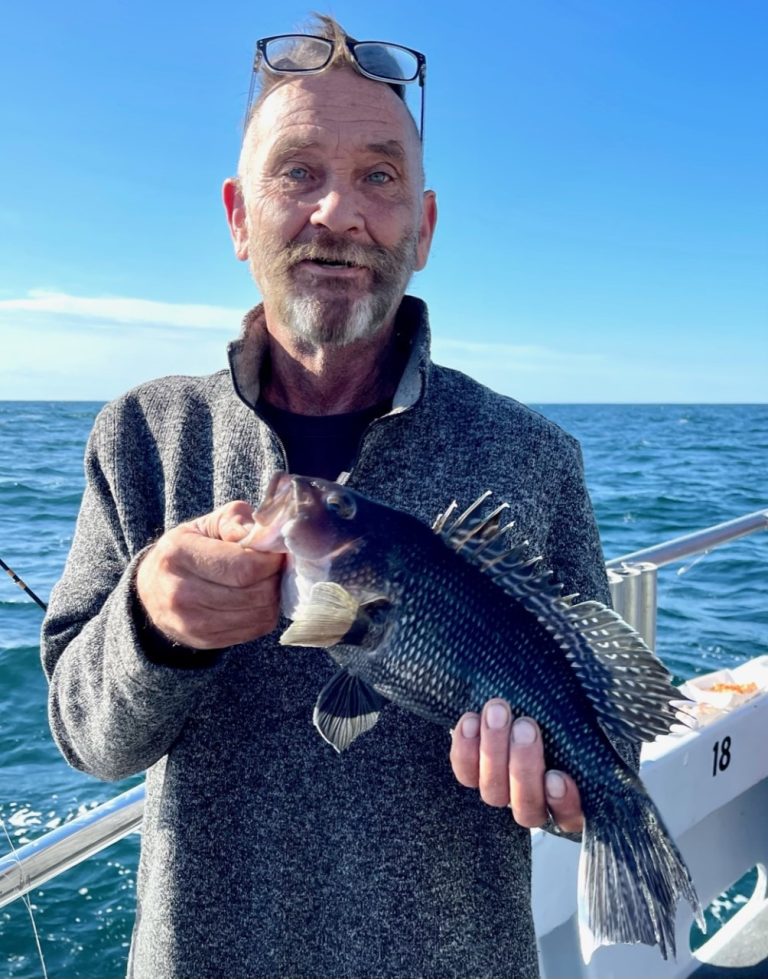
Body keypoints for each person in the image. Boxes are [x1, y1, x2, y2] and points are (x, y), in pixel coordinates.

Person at [42, 15, 632, 979]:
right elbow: (85, 737)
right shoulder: (144, 437)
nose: (338, 213)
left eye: (380, 177)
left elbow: (590, 728)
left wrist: (567, 794)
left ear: (424, 228)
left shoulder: (537, 458)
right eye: (298, 171)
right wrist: (150, 620)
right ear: (238, 216)